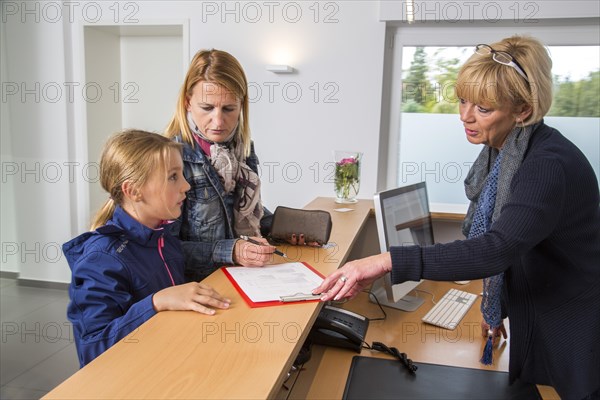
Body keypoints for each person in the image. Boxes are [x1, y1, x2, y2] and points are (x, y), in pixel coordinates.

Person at [313, 35, 599, 400]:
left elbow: (499, 247)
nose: (465, 116)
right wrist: (496, 304)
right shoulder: (504, 151)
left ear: (523, 110)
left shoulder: (546, 165)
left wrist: (387, 261)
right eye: (463, 101)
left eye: (483, 108)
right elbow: (516, 240)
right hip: (543, 313)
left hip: (576, 328)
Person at [64, 130, 231, 367]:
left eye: (181, 174)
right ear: (133, 190)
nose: (186, 185)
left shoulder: (165, 237)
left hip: (168, 360)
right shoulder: (101, 258)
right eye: (173, 177)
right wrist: (155, 302)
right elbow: (93, 348)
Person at [165, 49, 278, 281]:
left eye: (228, 109)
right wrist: (232, 251)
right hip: (198, 288)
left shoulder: (242, 149)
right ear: (187, 103)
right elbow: (165, 250)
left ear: (241, 105)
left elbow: (240, 211)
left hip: (241, 279)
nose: (218, 121)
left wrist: (283, 226)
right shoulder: (169, 158)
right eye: (207, 108)